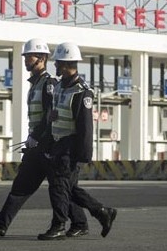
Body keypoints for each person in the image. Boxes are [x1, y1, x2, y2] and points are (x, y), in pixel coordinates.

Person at [0, 38, 90, 237]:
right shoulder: (36, 83)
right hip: (40, 144)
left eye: (31, 56)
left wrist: (37, 140)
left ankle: (85, 218)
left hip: (47, 145)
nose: (27, 60)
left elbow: (49, 116)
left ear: (43, 59)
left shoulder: (49, 84)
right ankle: (2, 223)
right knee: (34, 184)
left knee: (60, 187)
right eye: (26, 56)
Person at [37, 42, 117, 241]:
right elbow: (56, 116)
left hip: (70, 147)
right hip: (57, 145)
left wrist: (83, 155)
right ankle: (101, 212)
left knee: (58, 187)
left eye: (58, 63)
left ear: (65, 64)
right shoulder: (59, 87)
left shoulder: (82, 92)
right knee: (68, 188)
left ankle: (58, 226)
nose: (54, 66)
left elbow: (85, 128)